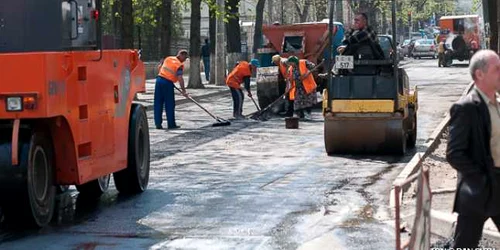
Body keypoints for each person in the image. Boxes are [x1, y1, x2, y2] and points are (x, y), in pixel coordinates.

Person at [446, 49, 500, 248]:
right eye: (497, 69)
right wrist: (482, 177)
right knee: (465, 245)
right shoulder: (466, 108)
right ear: (480, 74)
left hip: (498, 186)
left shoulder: (498, 105)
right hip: (478, 191)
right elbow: (454, 153)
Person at [154, 50, 189, 130]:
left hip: (159, 81)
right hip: (167, 84)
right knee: (169, 104)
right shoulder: (178, 65)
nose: (185, 60)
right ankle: (171, 124)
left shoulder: (168, 58)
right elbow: (180, 78)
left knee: (158, 103)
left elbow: (160, 67)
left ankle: (158, 124)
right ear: (181, 55)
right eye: (185, 57)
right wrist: (183, 91)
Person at [286, 56, 317, 120]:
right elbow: (289, 79)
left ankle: (308, 114)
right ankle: (300, 115)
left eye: (291, 63)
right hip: (298, 88)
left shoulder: (304, 62)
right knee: (297, 102)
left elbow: (314, 67)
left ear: (294, 62)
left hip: (307, 86)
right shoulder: (290, 69)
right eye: (289, 63)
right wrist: (288, 87)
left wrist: (307, 73)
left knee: (308, 101)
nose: (290, 64)